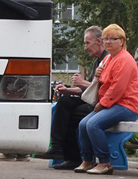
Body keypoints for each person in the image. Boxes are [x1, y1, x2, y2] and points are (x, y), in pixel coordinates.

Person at [74, 24, 138, 175]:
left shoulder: (124, 59)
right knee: (83, 124)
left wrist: (102, 104)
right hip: (113, 104)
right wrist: (99, 74)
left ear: (122, 41)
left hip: (128, 105)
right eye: (106, 38)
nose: (109, 42)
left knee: (93, 124)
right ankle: (87, 160)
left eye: (113, 38)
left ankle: (105, 162)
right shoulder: (109, 59)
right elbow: (105, 84)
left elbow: (117, 88)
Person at [38, 26, 106, 169]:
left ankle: (71, 156)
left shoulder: (107, 60)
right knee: (64, 101)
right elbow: (87, 89)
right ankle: (58, 149)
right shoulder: (98, 60)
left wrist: (82, 83)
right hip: (94, 99)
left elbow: (105, 88)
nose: (85, 48)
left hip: (104, 104)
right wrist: (68, 90)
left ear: (99, 41)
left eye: (87, 43)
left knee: (69, 115)